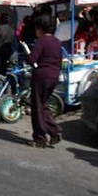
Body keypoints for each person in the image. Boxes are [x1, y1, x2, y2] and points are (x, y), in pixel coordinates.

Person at [25, 13, 63, 148]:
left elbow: (32, 59)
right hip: (54, 76)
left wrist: (27, 55)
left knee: (36, 107)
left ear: (40, 28)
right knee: (43, 104)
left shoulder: (41, 41)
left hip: (41, 76)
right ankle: (54, 131)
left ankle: (40, 137)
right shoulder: (57, 42)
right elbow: (59, 61)